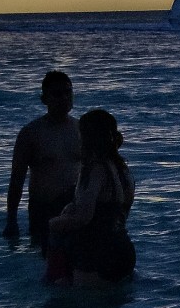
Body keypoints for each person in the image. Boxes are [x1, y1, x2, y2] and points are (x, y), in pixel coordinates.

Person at [46, 109, 135, 285]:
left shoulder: (95, 169)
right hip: (124, 251)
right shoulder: (124, 170)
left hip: (95, 254)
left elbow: (84, 218)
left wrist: (54, 223)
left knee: (67, 302)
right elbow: (121, 212)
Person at [5, 70, 81, 249]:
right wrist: (11, 220)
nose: (64, 98)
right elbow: (17, 179)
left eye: (68, 92)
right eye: (57, 94)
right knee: (44, 262)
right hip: (44, 208)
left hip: (75, 208)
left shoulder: (81, 129)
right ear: (44, 99)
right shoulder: (31, 133)